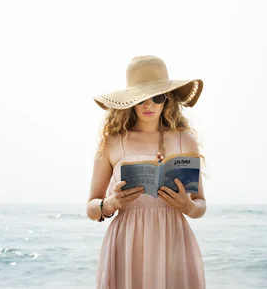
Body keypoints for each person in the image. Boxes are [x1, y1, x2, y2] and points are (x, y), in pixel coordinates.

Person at [86, 55, 207, 289]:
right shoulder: (112, 142)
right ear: (131, 101)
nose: (149, 105)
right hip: (127, 242)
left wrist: (188, 206)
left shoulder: (185, 140)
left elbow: (200, 203)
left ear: (167, 100)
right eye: (141, 99)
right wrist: (111, 203)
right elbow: (92, 206)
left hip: (173, 241)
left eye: (157, 97)